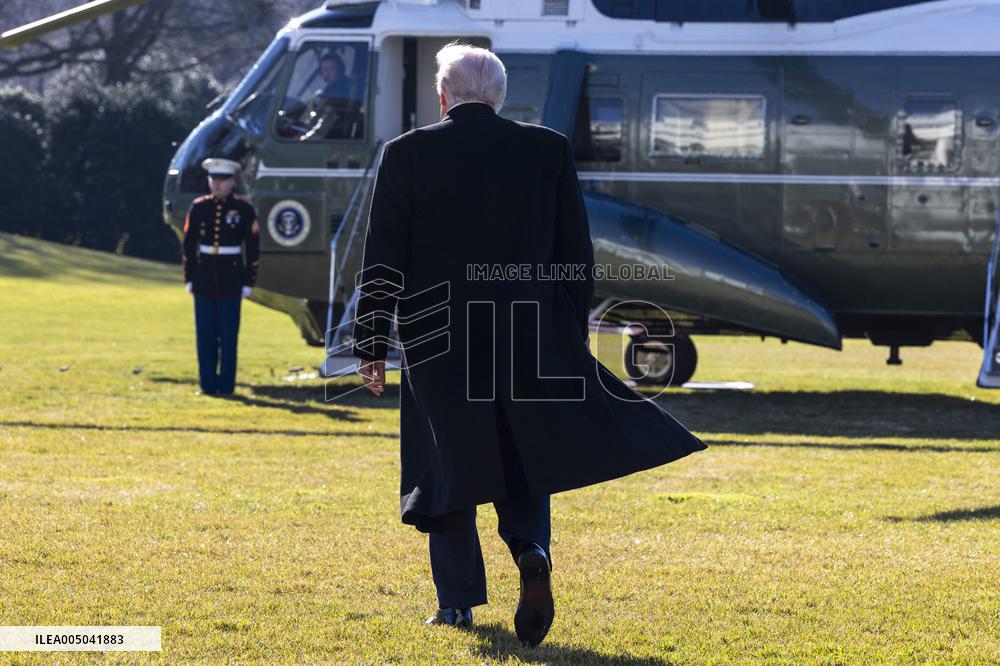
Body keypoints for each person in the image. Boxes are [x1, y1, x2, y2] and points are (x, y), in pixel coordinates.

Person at [351, 43, 706, 647]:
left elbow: (383, 256)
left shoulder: (406, 154)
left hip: (439, 335)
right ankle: (532, 550)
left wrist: (370, 342)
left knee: (447, 460)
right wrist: (565, 328)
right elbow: (575, 253)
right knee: (525, 452)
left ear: (443, 96)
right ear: (499, 96)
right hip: (529, 328)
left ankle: (457, 602)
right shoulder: (547, 149)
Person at [181, 158, 261, 396]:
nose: (217, 185)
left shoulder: (244, 209)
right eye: (213, 180)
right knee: (205, 335)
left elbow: (252, 247)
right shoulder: (198, 207)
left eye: (222, 180)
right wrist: (189, 276)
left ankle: (226, 386)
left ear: (232, 182)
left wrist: (249, 280)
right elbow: (189, 244)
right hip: (204, 276)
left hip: (231, 277)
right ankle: (207, 385)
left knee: (227, 337)